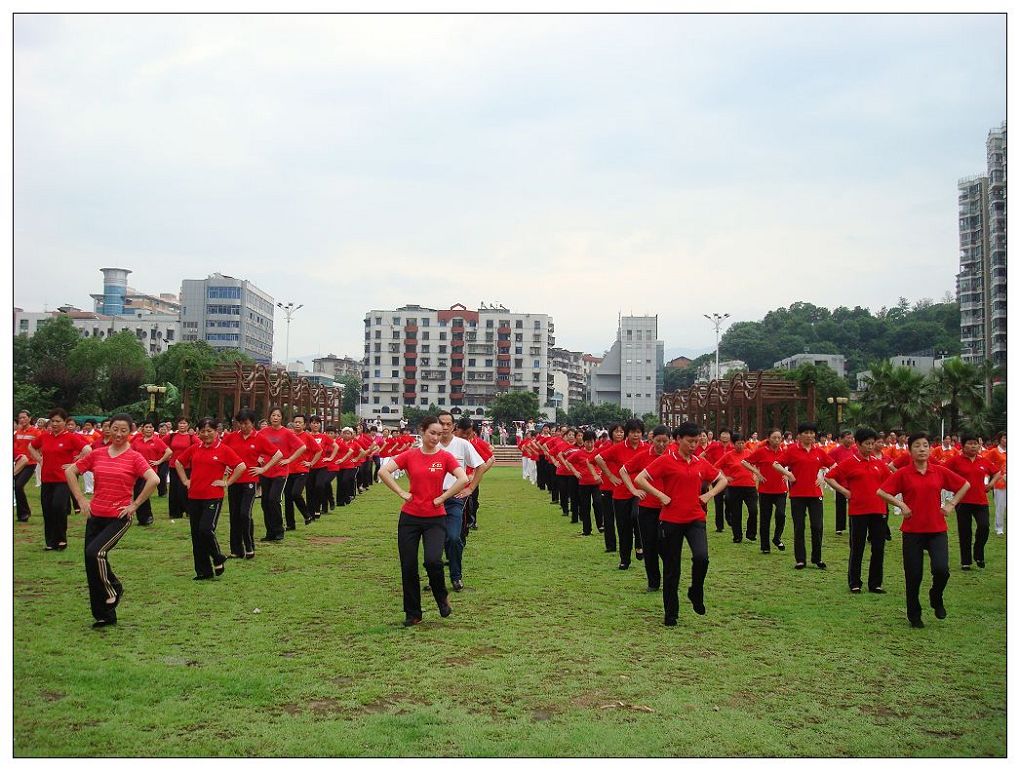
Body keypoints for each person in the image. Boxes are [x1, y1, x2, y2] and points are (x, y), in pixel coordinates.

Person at [65, 413, 160, 628]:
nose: (118, 434)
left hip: (118, 517)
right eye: (114, 428)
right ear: (108, 429)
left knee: (95, 553)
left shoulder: (134, 457)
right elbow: (71, 471)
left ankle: (113, 589)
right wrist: (81, 499)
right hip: (95, 515)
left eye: (123, 430)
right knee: (92, 563)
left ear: (130, 432)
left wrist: (134, 505)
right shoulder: (97, 454)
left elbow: (154, 479)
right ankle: (103, 615)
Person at [378, 416, 468, 626]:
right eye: (432, 433)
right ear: (422, 431)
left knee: (432, 561)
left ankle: (441, 597)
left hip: (435, 518)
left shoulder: (445, 457)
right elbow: (383, 471)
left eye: (439, 434)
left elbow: (463, 478)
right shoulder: (410, 454)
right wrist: (401, 492)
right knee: (408, 565)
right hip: (409, 517)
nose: (436, 437)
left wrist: (443, 497)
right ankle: (413, 613)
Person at [634, 423, 727, 626]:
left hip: (695, 518)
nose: (694, 445)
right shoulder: (666, 461)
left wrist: (709, 494)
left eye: (697, 441)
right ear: (678, 440)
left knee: (702, 558)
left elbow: (722, 480)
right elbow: (640, 478)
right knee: (672, 568)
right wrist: (660, 495)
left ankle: (695, 591)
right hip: (671, 520)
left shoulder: (699, 463)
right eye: (690, 441)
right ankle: (671, 613)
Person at [878, 432, 969, 628]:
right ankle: (914, 613)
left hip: (937, 529)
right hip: (912, 531)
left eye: (925, 445)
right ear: (910, 451)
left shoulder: (938, 471)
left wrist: (951, 504)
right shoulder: (903, 473)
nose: (922, 449)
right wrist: (901, 505)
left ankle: (936, 596)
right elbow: (882, 491)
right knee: (913, 574)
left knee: (941, 570)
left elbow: (965, 484)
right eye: (917, 446)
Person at [175, 417, 247, 580]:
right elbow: (179, 462)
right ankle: (203, 571)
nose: (206, 434)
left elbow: (241, 466)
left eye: (210, 431)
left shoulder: (223, 449)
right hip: (194, 495)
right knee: (196, 534)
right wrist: (185, 481)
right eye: (202, 431)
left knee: (206, 529)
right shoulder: (194, 448)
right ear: (198, 432)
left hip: (213, 496)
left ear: (216, 432)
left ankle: (217, 555)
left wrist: (227, 482)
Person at [824, 428, 891, 594]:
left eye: (872, 444)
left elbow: (890, 482)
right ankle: (855, 582)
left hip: (878, 510)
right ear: (858, 444)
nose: (870, 447)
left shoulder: (879, 464)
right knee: (857, 547)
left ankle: (875, 583)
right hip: (858, 511)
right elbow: (829, 477)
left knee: (878, 548)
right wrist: (845, 491)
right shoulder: (849, 463)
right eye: (867, 444)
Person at [221, 408, 284, 559]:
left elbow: (278, 454)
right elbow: (221, 451)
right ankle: (236, 550)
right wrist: (226, 466)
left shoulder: (259, 438)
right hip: (233, 481)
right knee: (234, 515)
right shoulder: (231, 437)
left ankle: (249, 546)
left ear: (252, 423)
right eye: (240, 424)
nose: (243, 427)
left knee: (244, 514)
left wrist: (264, 469)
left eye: (246, 423)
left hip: (249, 481)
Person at [773, 423, 836, 570]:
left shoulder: (819, 451)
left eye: (812, 433)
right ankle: (800, 559)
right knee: (799, 527)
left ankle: (817, 558)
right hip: (797, 494)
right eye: (806, 433)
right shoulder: (792, 450)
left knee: (817, 526)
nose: (809, 435)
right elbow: (776, 464)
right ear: (800, 435)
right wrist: (788, 474)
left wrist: (823, 476)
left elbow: (834, 465)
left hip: (815, 494)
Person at [28, 408, 91, 550]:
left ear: (65, 422)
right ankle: (50, 542)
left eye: (59, 421)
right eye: (53, 421)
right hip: (46, 479)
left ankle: (61, 539)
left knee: (58, 507)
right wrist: (39, 459)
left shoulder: (71, 437)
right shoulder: (45, 436)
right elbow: (31, 446)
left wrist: (76, 463)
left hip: (63, 480)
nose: (55, 424)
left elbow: (87, 450)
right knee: (47, 509)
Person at [619, 425, 672, 591]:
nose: (661, 445)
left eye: (665, 441)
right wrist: (634, 490)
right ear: (651, 440)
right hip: (647, 508)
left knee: (667, 547)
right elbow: (623, 471)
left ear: (670, 441)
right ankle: (653, 582)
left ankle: (671, 580)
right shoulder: (643, 456)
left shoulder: (675, 457)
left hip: (669, 509)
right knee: (649, 545)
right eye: (658, 441)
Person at [436, 411, 484, 592]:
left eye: (449, 424)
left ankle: (456, 576)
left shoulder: (462, 445)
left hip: (454, 498)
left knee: (454, 538)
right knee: (434, 540)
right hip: (432, 498)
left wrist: (470, 489)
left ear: (454, 426)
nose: (445, 427)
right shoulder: (429, 444)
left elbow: (480, 465)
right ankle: (435, 578)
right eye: (442, 423)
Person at [945, 433, 1002, 570]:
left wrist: (991, 484)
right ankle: (966, 561)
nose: (973, 446)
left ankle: (978, 552)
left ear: (979, 445)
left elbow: (997, 472)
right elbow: (943, 472)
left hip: (981, 501)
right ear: (963, 446)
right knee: (965, 531)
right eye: (969, 443)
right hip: (963, 501)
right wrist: (953, 487)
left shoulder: (983, 460)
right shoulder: (955, 460)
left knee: (984, 527)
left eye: (975, 443)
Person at [258, 407, 306, 541]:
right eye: (273, 415)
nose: (275, 417)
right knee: (265, 502)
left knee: (274, 500)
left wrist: (289, 460)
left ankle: (279, 530)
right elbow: (255, 446)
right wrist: (258, 457)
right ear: (269, 417)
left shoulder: (287, 433)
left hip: (280, 471)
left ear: (281, 418)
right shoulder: (262, 432)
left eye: (278, 415)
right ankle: (270, 532)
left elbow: (302, 447)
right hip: (265, 471)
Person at [741, 428, 787, 553]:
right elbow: (744, 462)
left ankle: (777, 538)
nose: (777, 440)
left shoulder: (785, 451)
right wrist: (757, 472)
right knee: (765, 518)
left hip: (781, 489)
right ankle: (765, 546)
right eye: (774, 438)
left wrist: (787, 473)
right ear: (768, 438)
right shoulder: (761, 452)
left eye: (779, 438)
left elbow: (792, 464)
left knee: (781, 514)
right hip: (765, 490)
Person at [129, 420, 171, 526]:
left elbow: (169, 452)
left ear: (153, 429)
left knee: (143, 492)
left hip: (150, 472)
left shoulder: (157, 441)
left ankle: (148, 516)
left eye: (150, 427)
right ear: (142, 429)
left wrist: (159, 461)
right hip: (137, 472)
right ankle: (141, 518)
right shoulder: (137, 440)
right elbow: (130, 451)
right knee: (137, 493)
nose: (148, 429)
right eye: (146, 427)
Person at [717, 433, 758, 544]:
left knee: (753, 510)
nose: (740, 445)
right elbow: (716, 467)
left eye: (742, 443)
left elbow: (756, 465)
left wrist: (754, 474)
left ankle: (751, 533)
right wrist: (725, 477)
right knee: (736, 513)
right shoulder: (729, 455)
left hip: (750, 487)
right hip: (735, 487)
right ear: (733, 444)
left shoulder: (749, 453)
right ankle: (737, 536)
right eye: (738, 443)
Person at [561, 430, 602, 537]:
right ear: (584, 442)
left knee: (598, 502)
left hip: (596, 483)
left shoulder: (598, 452)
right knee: (585, 506)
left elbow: (605, 462)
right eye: (587, 442)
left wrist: (601, 473)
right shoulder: (579, 453)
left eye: (592, 442)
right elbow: (568, 461)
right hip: (584, 483)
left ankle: (600, 524)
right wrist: (575, 472)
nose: (590, 444)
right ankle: (586, 529)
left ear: (595, 441)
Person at [284, 414, 321, 529]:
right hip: (289, 470)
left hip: (302, 470)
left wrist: (311, 463)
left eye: (300, 422)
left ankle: (307, 515)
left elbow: (318, 450)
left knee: (295, 493)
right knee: (288, 497)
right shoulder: (289, 436)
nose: (297, 424)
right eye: (296, 422)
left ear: (304, 425)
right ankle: (290, 524)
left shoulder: (307, 436)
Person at [166, 418, 200, 520]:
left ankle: (189, 510)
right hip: (173, 466)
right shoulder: (172, 436)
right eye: (180, 423)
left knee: (184, 489)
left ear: (188, 425)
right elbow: (161, 445)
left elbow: (199, 447)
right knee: (174, 490)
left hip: (186, 467)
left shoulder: (191, 438)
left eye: (184, 423)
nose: (182, 425)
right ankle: (175, 512)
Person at [13, 409, 42, 522]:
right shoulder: (17, 432)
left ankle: (25, 513)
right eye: (20, 418)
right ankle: (21, 514)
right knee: (16, 486)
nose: (22, 420)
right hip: (19, 462)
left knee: (19, 485)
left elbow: (40, 447)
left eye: (24, 417)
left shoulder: (36, 432)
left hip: (30, 463)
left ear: (30, 418)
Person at [702, 429, 733, 532]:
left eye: (726, 434)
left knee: (729, 498)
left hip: (730, 478)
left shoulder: (732, 447)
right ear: (719, 436)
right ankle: (719, 526)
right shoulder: (714, 446)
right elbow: (703, 455)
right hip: (717, 477)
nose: (724, 436)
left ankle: (728, 515)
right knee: (718, 501)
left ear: (730, 436)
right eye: (723, 434)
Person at [828, 431, 856, 535]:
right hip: (840, 482)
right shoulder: (836, 450)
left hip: (853, 481)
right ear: (841, 439)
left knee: (853, 504)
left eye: (851, 438)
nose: (850, 440)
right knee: (840, 505)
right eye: (848, 438)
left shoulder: (854, 450)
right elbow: (828, 460)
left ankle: (853, 524)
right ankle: (839, 527)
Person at [982, 432, 1006, 535]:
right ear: (1000, 439)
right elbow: (984, 463)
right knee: (1000, 507)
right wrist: (987, 480)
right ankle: (999, 528)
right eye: (1005, 438)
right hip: (1000, 483)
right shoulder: (994, 452)